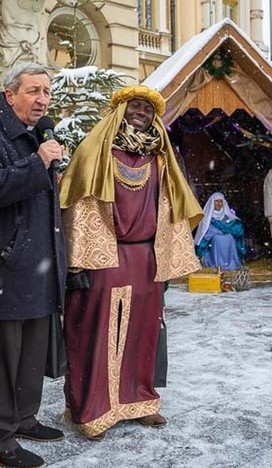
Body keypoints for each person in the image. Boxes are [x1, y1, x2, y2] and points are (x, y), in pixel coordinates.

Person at [59, 85, 203, 440]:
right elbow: (80, 205)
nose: (141, 112)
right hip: (105, 254)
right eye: (134, 106)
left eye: (147, 108)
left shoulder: (160, 159)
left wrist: (168, 256)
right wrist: (79, 262)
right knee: (97, 333)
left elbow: (171, 209)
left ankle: (140, 399)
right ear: (120, 112)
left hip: (147, 257)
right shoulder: (98, 152)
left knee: (143, 332)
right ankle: (93, 408)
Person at [0, 62, 67, 468]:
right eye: (33, 91)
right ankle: (1, 435)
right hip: (7, 267)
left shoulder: (40, 135)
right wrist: (36, 163)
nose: (42, 99)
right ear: (9, 95)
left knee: (33, 351)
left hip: (42, 263)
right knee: (6, 356)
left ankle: (25, 418)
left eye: (46, 91)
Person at [194, 191, 246, 270]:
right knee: (218, 239)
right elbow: (205, 233)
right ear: (212, 203)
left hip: (229, 240)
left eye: (220, 201)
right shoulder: (207, 218)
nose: (218, 204)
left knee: (229, 238)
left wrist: (223, 229)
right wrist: (222, 230)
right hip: (213, 242)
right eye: (216, 201)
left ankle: (231, 263)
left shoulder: (228, 216)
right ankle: (217, 265)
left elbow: (238, 229)